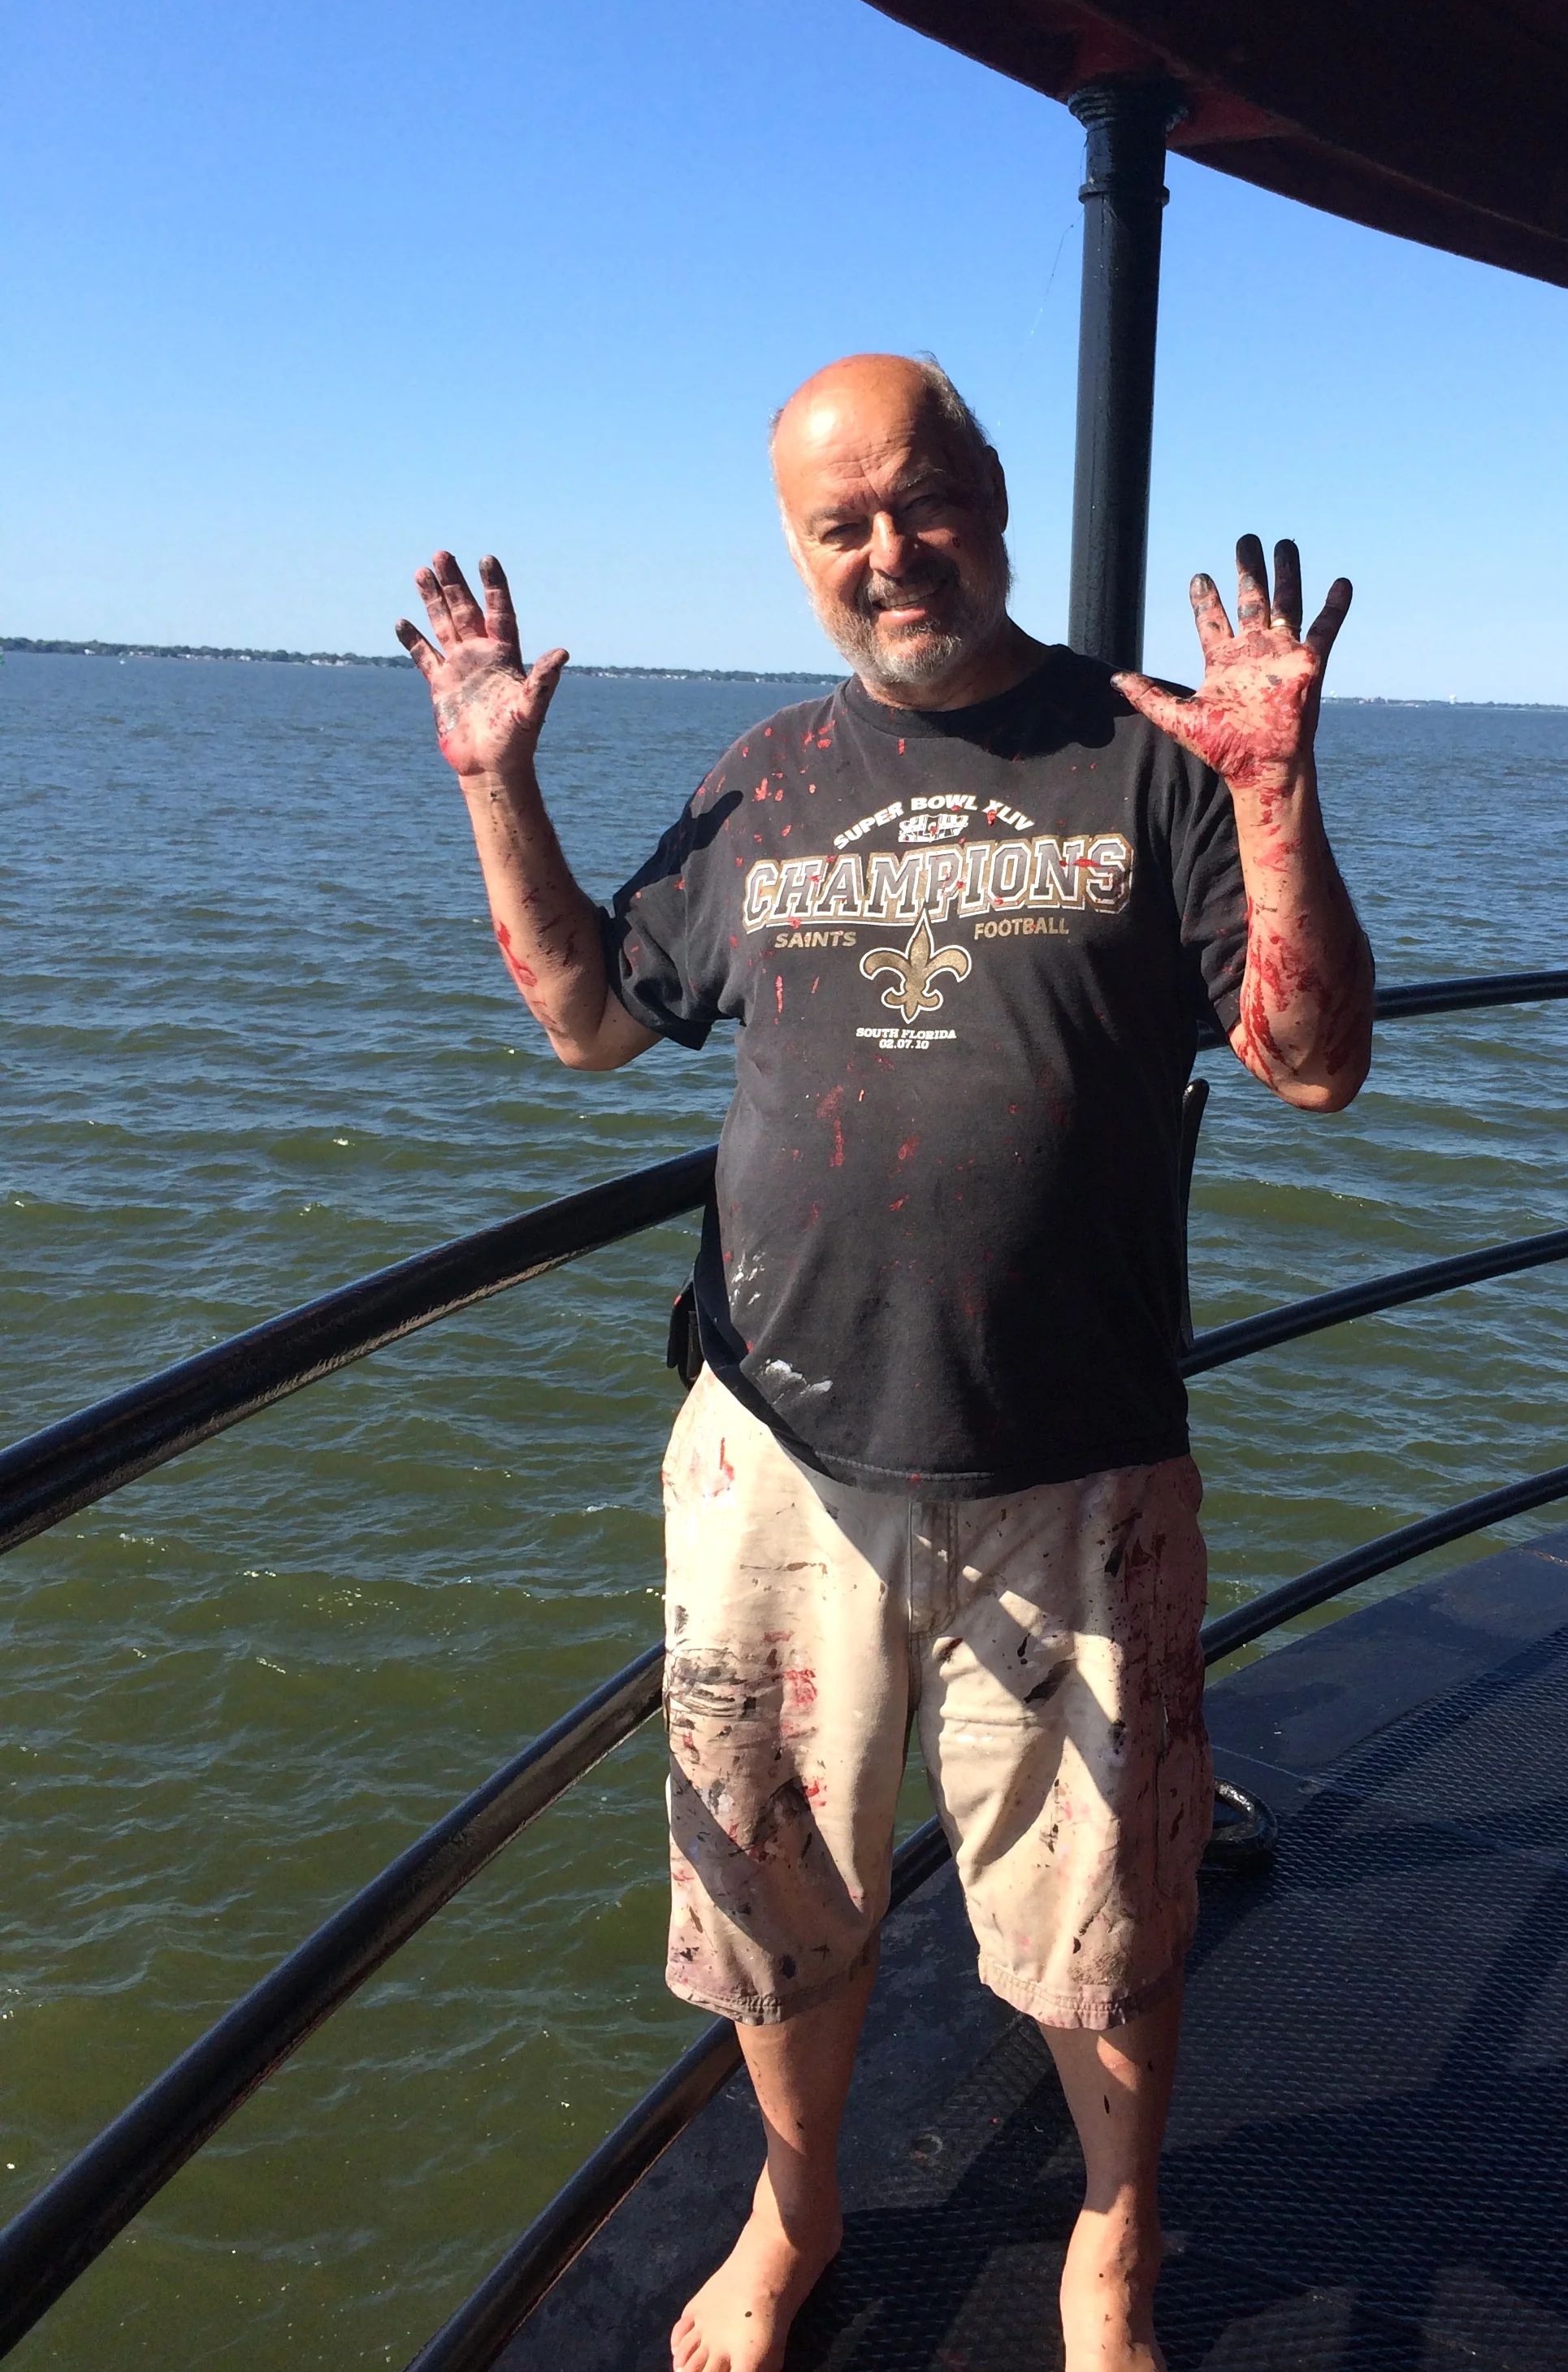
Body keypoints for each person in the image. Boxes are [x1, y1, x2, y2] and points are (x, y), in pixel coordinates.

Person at [396, 353, 1373, 2372]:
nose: (887, 549)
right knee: (773, 1888)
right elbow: (590, 1019)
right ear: (795, 549)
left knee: (1103, 1916)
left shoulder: (1152, 751)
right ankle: (795, 2201)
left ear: (992, 496)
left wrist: (1274, 794)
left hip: (1077, 1455)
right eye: (840, 523)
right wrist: (500, 779)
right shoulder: (763, 779)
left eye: (919, 500)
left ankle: (1113, 2244)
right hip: (777, 1450)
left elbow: (1312, 1060)